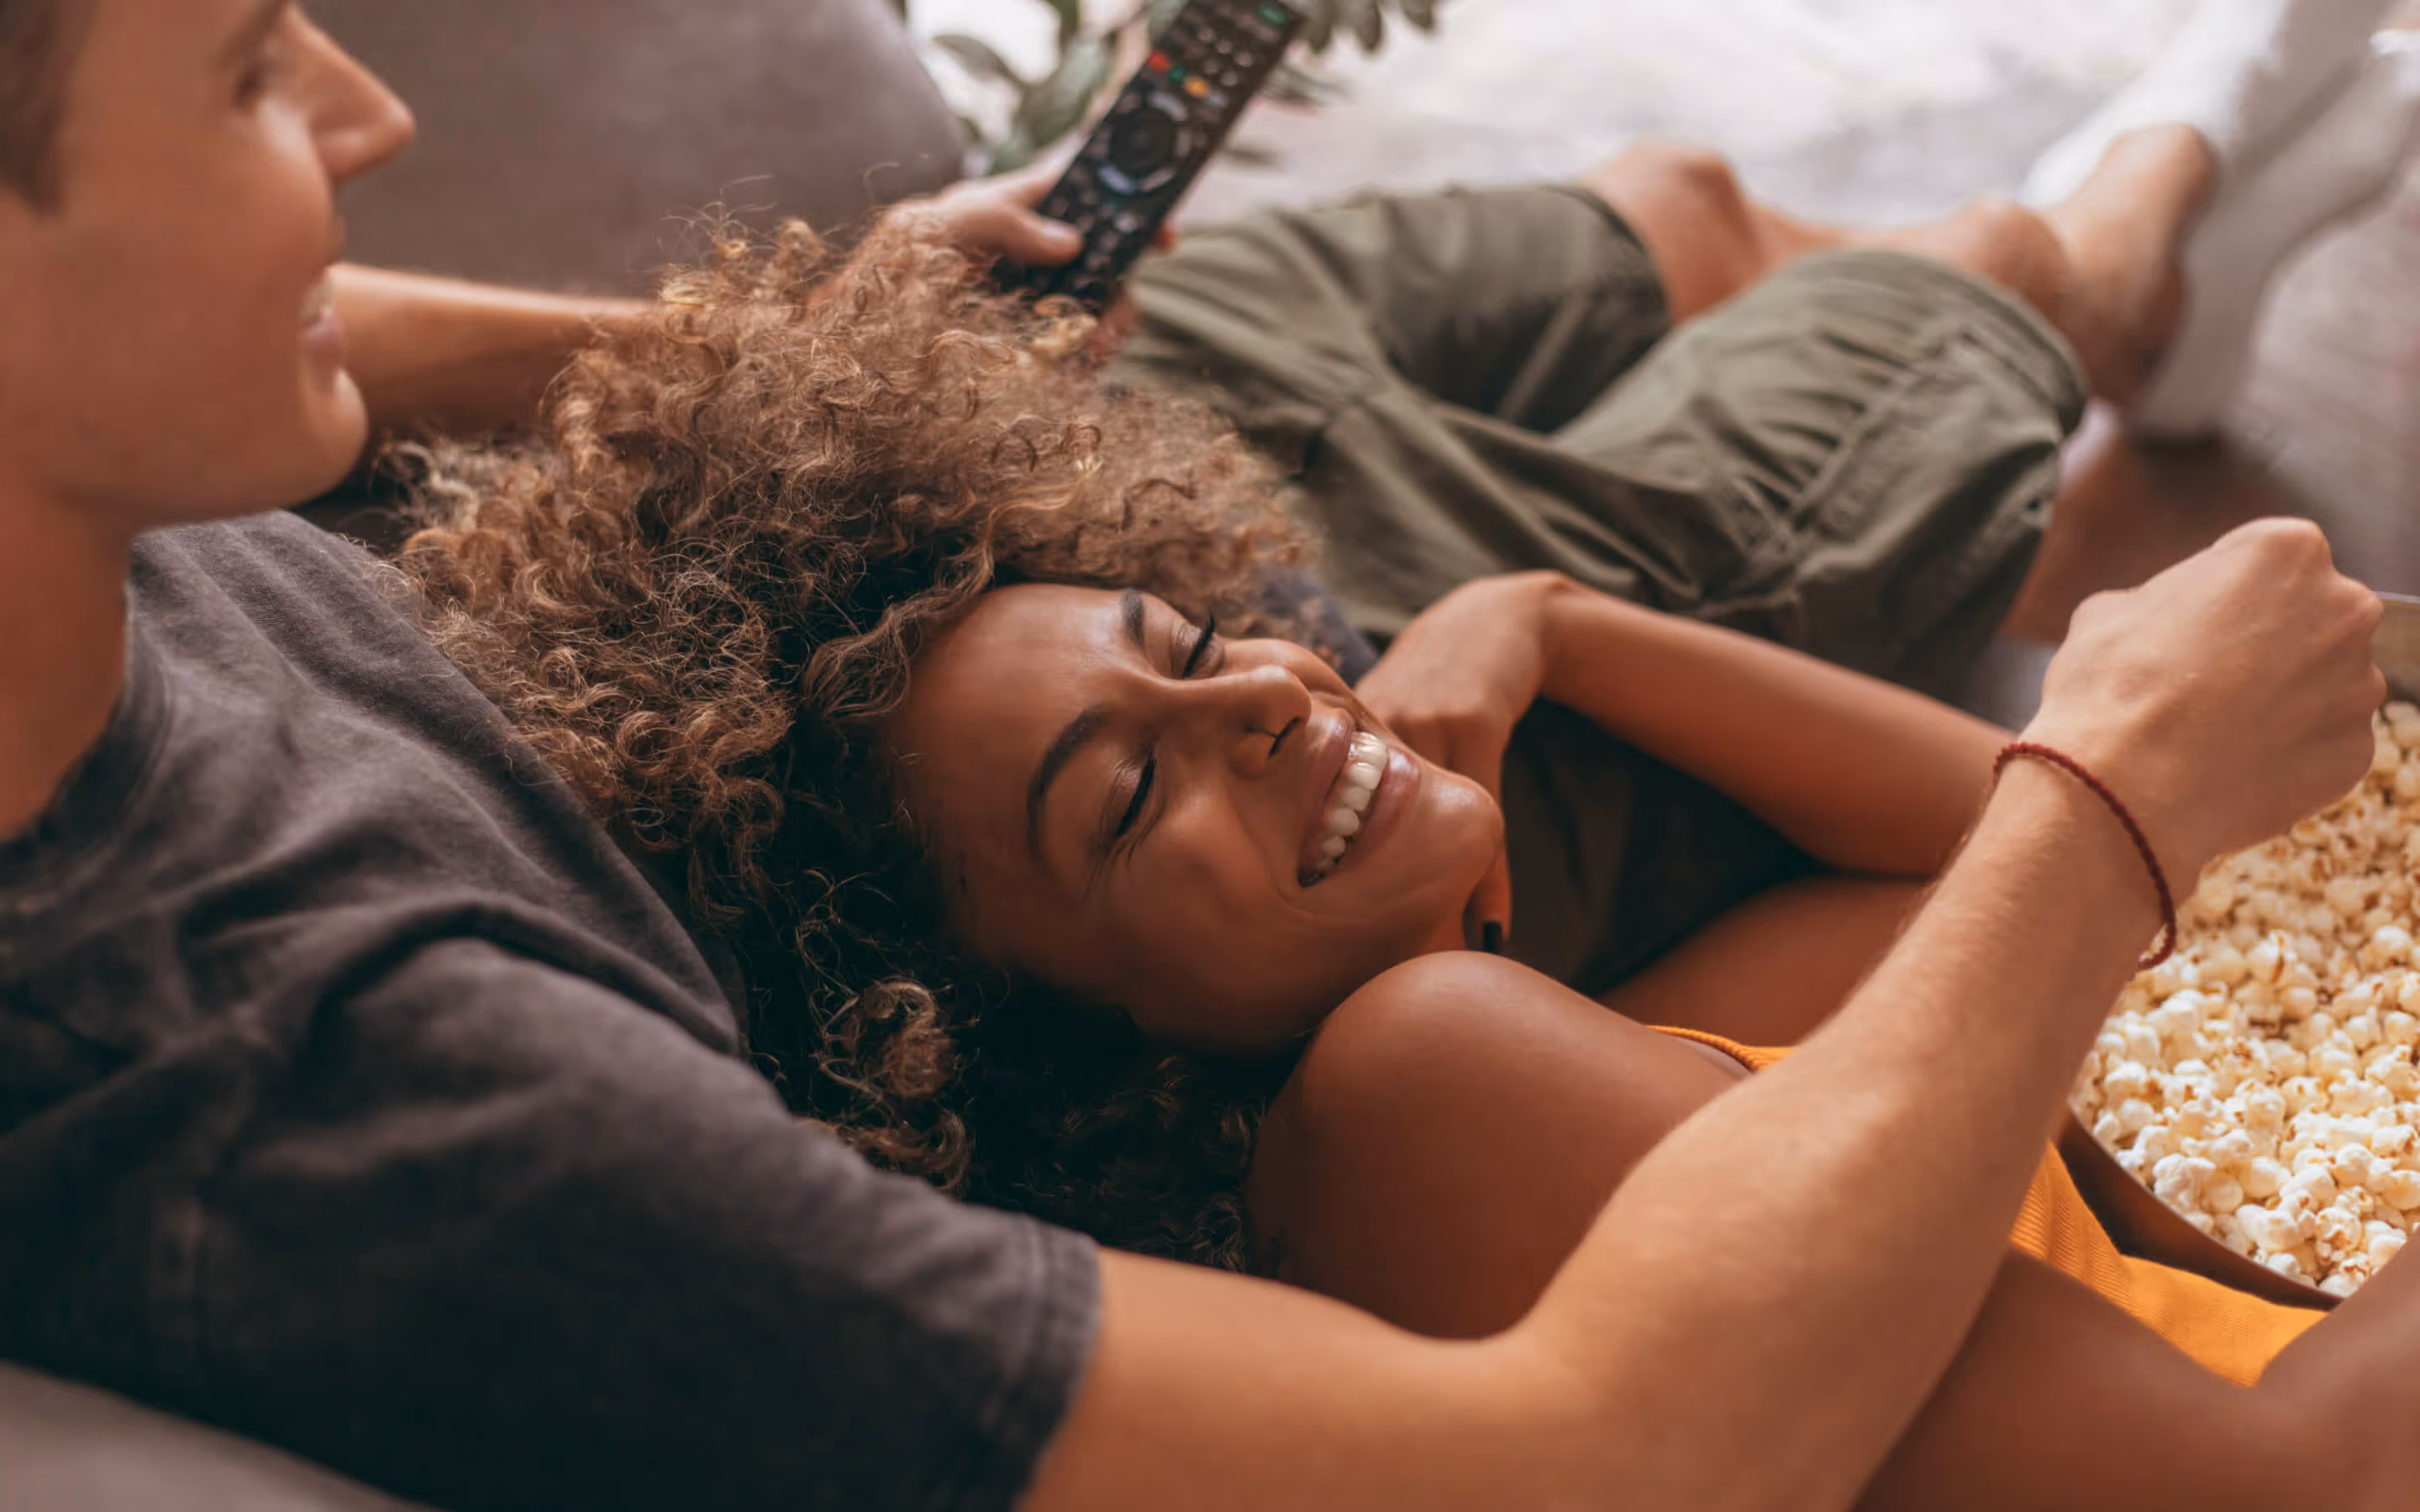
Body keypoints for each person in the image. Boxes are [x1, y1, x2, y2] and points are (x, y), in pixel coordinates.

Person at [0, 8, 2393, 1512]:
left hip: (962, 565)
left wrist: (765, 344)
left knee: (1659, 217)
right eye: (232, 66)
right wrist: (2103, 803)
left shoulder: (147, 509)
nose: (366, 103)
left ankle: (2143, 204)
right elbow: (1611, 1450)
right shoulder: (371, 1094)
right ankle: (2144, 203)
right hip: (1090, 773)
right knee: (1951, 307)